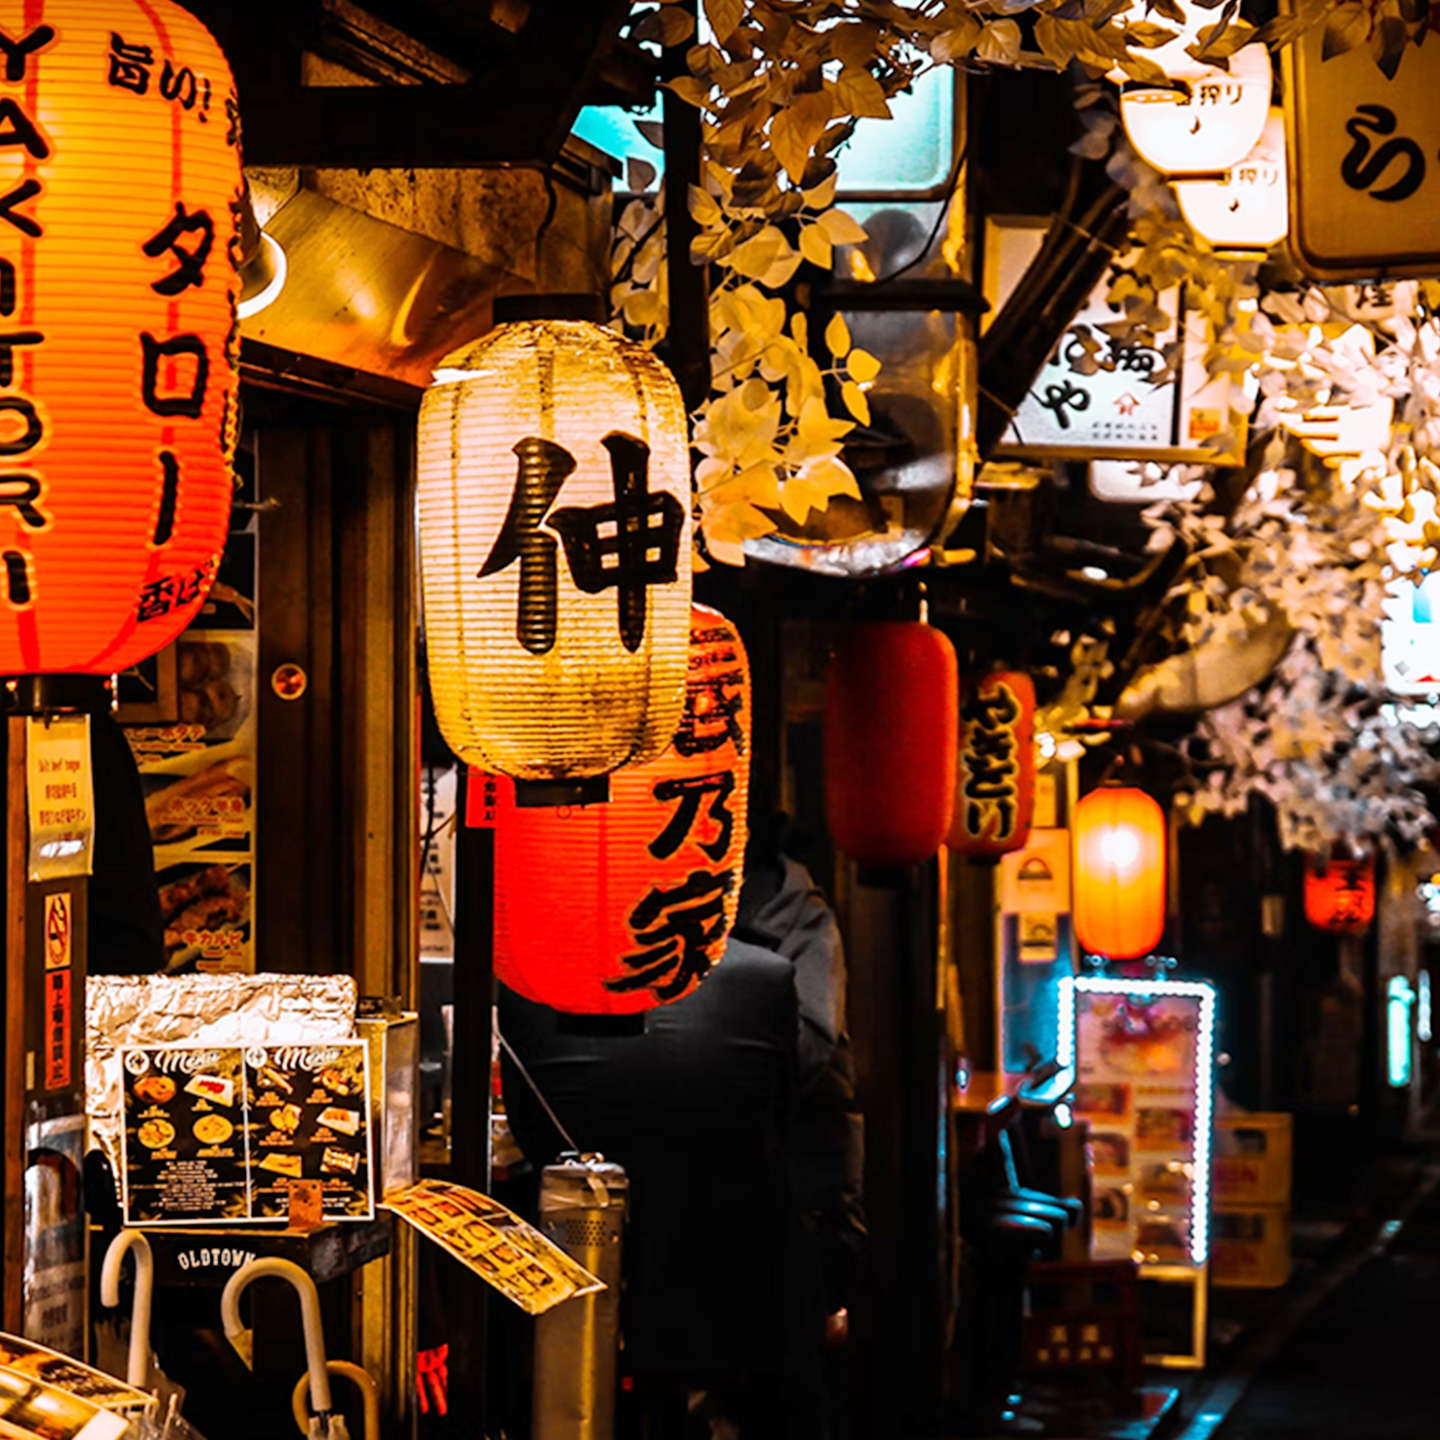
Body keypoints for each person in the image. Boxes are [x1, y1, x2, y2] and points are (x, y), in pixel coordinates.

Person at [500, 835, 864, 1440]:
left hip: (571, 1262)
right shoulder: (767, 969)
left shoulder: (529, 973)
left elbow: (529, 1129)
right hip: (743, 1264)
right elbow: (792, 1085)